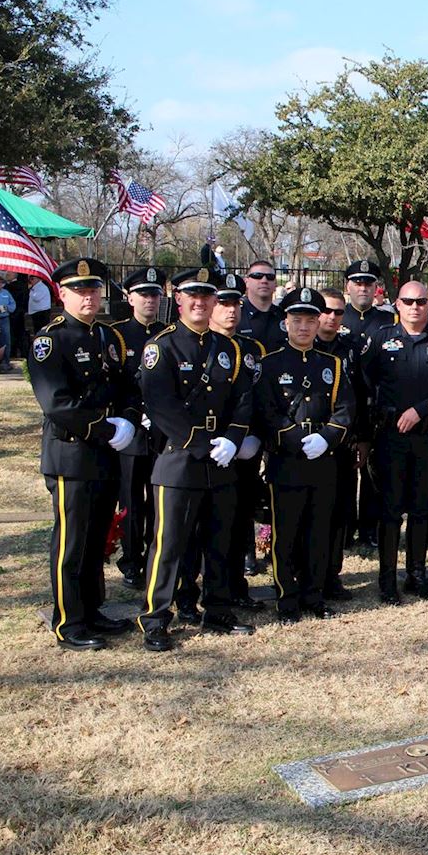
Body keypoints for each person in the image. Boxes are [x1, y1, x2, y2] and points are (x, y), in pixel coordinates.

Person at [136, 268, 256, 651]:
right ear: (179, 300)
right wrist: (204, 444)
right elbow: (162, 405)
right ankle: (155, 618)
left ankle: (218, 610)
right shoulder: (162, 346)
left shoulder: (228, 349)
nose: (201, 302)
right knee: (168, 546)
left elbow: (243, 399)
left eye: (208, 296)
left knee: (220, 541)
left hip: (221, 462)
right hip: (181, 459)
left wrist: (234, 440)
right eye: (194, 296)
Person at [27, 258, 138, 651]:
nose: (88, 296)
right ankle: (67, 620)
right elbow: (57, 404)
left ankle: (92, 609)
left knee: (96, 539)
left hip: (105, 455)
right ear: (62, 294)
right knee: (71, 542)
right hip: (71, 456)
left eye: (93, 289)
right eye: (79, 290)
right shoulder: (50, 340)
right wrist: (107, 428)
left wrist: (126, 419)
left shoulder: (108, 338)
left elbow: (126, 387)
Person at [361, 280, 428, 603]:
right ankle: (387, 580)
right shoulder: (381, 339)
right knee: (391, 511)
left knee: (422, 509)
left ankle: (416, 575)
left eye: (421, 301)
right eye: (408, 301)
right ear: (397, 303)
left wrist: (420, 411)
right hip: (391, 437)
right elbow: (363, 383)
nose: (415, 307)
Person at [253, 288, 355, 623]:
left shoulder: (333, 365)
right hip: (288, 461)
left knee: (318, 531)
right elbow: (267, 413)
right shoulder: (269, 365)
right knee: (286, 534)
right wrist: (296, 439)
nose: (304, 327)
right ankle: (287, 599)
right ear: (285, 323)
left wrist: (326, 438)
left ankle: (314, 595)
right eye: (297, 319)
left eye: (310, 320)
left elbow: (344, 409)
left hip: (323, 461)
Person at [109, 267, 166, 590]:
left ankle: (156, 552)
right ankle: (131, 559)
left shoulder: (167, 332)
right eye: (143, 294)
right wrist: (131, 415)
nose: (150, 300)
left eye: (155, 294)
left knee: (159, 497)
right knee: (131, 497)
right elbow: (115, 382)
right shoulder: (117, 335)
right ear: (129, 298)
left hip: (162, 429)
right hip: (131, 428)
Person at [315, 287, 368, 602]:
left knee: (338, 514)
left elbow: (361, 397)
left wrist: (363, 438)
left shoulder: (351, 350)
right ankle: (305, 574)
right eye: (327, 311)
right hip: (306, 445)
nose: (332, 317)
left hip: (343, 446)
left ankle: (332, 576)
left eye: (338, 312)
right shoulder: (298, 347)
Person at [239, 260, 287, 352]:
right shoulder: (236, 314)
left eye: (270, 277)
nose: (264, 281)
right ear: (246, 282)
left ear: (275, 283)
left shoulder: (283, 316)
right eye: (257, 276)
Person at [341, 260, 392, 338]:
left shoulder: (389, 319)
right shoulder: (338, 316)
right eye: (358, 284)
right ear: (348, 288)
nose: (363, 289)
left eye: (368, 285)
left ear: (375, 289)